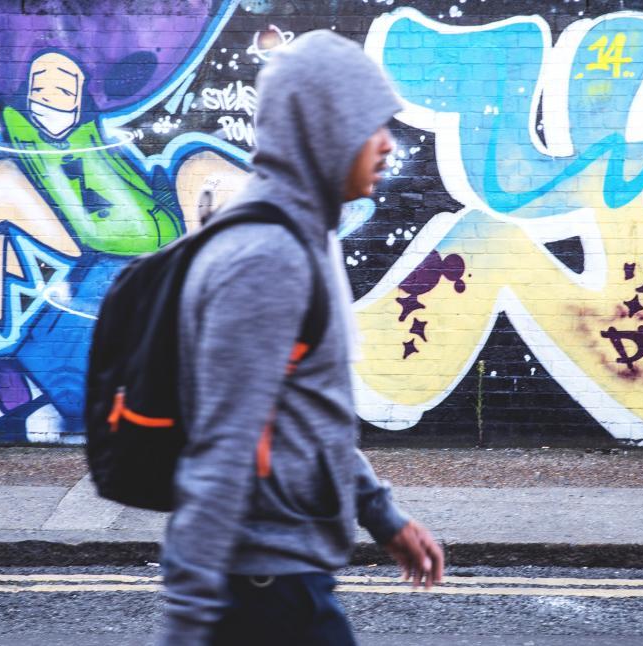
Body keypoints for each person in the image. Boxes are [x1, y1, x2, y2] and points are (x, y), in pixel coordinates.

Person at [160, 30, 444, 645]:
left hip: (284, 575)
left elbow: (310, 414)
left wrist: (380, 515)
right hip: (262, 588)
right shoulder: (268, 256)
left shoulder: (305, 237)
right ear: (326, 129)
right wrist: (182, 627)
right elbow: (219, 450)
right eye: (371, 124)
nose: (388, 144)